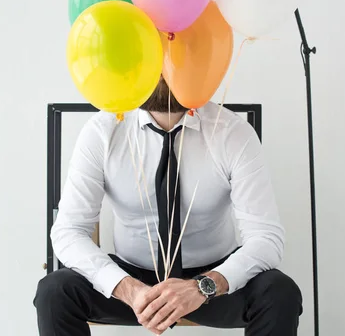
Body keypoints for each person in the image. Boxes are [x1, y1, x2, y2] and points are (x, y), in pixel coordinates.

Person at [34, 78, 302, 335]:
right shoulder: (103, 130)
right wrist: (127, 288)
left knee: (280, 292)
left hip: (211, 281)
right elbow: (68, 232)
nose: (164, 72)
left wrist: (202, 287)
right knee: (54, 292)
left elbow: (266, 238)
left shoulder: (232, 133)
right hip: (131, 279)